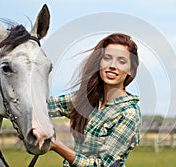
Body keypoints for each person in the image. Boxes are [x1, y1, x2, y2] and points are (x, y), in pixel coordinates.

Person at [47, 33, 141, 167]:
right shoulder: (87, 99)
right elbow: (44, 106)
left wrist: (56, 146)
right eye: (107, 58)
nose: (113, 65)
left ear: (131, 70)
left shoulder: (128, 114)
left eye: (121, 61)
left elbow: (102, 165)